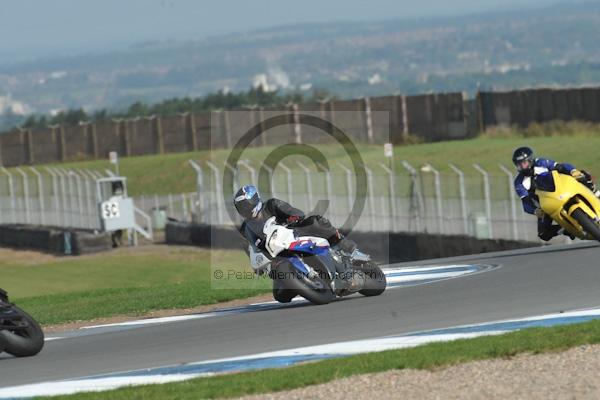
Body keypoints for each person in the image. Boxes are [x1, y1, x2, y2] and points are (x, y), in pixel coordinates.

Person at [512, 146, 600, 241]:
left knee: (583, 174)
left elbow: (560, 166)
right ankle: (566, 229)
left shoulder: (541, 163)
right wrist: (535, 211)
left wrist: (573, 171)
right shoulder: (519, 182)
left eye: (524, 163)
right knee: (543, 234)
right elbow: (525, 201)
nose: (522, 166)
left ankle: (595, 192)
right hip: (545, 204)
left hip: (560, 189)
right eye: (519, 164)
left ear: (530, 160)